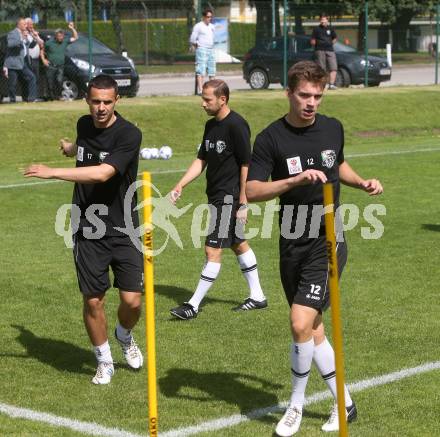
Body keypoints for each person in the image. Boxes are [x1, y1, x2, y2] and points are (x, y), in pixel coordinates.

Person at [246, 61, 383, 435]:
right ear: (288, 93)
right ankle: (346, 402)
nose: (311, 103)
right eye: (304, 95)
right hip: (291, 242)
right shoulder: (270, 138)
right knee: (314, 329)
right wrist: (293, 180)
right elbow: (253, 190)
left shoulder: (332, 128)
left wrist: (362, 183)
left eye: (317, 96)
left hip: (327, 240)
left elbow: (339, 165)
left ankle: (294, 405)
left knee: (299, 322)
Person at [24, 75, 144, 385]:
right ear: (87, 101)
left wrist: (52, 172)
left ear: (117, 100)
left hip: (125, 226)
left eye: (107, 102)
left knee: (132, 301)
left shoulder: (129, 135)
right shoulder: (84, 124)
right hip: (88, 226)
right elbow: (86, 148)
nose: (101, 108)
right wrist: (70, 148)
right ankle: (104, 360)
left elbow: (104, 172)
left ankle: (124, 334)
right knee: (93, 300)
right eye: (95, 101)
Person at [169, 79, 267, 320]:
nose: (202, 103)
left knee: (212, 248)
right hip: (215, 195)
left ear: (222, 99)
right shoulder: (210, 126)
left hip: (228, 197)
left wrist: (243, 201)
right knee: (238, 243)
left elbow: (246, 164)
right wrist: (180, 184)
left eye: (207, 99)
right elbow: (201, 160)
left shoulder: (237, 125)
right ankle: (257, 296)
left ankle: (192, 305)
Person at [3, 17, 37, 102]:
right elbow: (11, 44)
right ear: (19, 25)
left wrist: (35, 38)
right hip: (13, 63)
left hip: (22, 62)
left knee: (32, 77)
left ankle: (31, 99)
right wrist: (21, 38)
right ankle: (12, 100)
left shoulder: (23, 33)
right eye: (24, 24)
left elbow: (29, 45)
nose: (26, 26)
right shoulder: (12, 33)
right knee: (13, 84)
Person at [41, 23, 78, 100]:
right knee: (50, 82)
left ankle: (58, 96)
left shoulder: (65, 41)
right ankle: (51, 97)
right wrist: (43, 60)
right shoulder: (49, 43)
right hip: (51, 65)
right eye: (59, 36)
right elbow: (42, 50)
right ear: (56, 36)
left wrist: (72, 28)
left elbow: (75, 37)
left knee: (59, 81)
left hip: (60, 65)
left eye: (62, 36)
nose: (61, 38)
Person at [190, 8, 216, 95]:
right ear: (204, 17)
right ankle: (201, 90)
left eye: (211, 17)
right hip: (202, 49)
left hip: (211, 49)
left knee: (212, 71)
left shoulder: (212, 27)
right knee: (200, 70)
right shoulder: (198, 26)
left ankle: (212, 90)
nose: (209, 18)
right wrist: (197, 46)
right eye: (208, 17)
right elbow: (192, 39)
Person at [311, 14, 338, 90]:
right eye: (321, 20)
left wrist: (330, 43)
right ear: (320, 21)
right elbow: (313, 40)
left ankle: (331, 85)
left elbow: (335, 38)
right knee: (321, 68)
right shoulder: (316, 29)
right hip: (320, 50)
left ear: (327, 20)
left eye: (324, 19)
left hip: (330, 50)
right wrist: (316, 45)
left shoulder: (331, 28)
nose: (323, 21)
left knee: (334, 68)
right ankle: (322, 85)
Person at [24, 17, 44, 100]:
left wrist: (35, 35)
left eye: (32, 24)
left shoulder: (33, 33)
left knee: (36, 78)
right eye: (30, 24)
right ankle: (29, 97)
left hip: (36, 60)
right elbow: (30, 44)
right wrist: (34, 36)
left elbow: (42, 43)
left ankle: (35, 96)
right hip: (29, 59)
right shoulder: (25, 34)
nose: (32, 25)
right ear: (26, 25)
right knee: (31, 78)